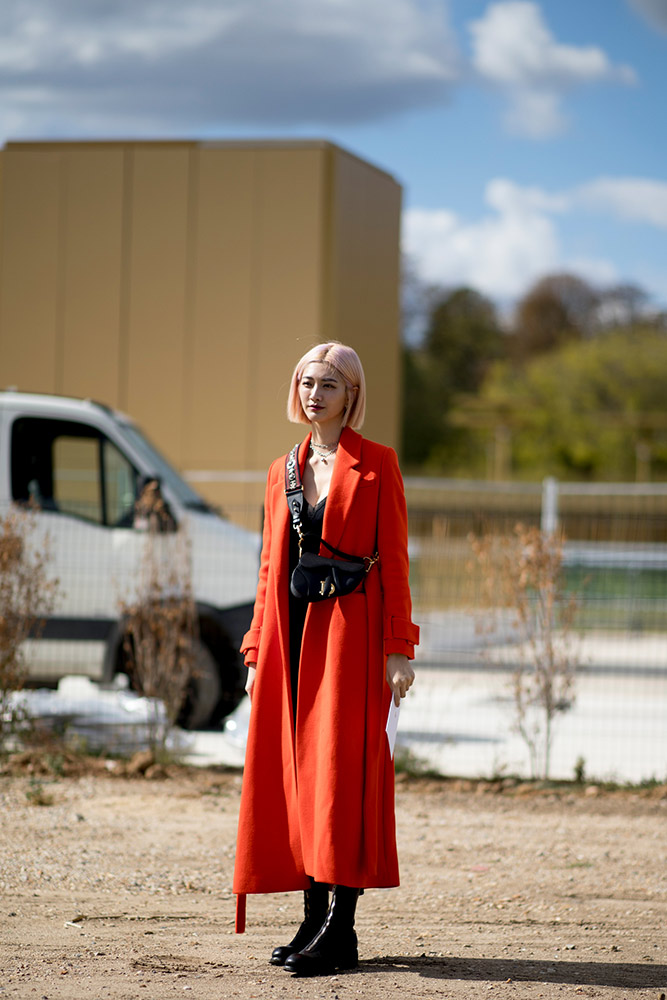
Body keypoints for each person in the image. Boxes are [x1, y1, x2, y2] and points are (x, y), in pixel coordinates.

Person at [233, 341, 419, 977]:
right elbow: (268, 570)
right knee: (298, 778)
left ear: (352, 396)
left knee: (340, 777)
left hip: (351, 638)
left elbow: (394, 562)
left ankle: (343, 928)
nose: (316, 394)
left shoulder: (378, 466)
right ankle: (313, 917)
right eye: (308, 382)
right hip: (291, 637)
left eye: (330, 385)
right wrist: (257, 650)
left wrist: (400, 648)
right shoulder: (280, 469)